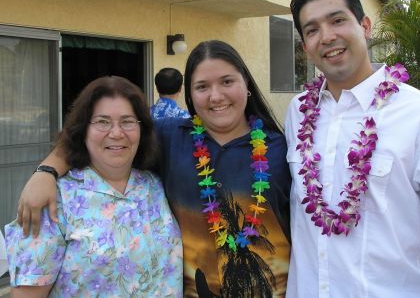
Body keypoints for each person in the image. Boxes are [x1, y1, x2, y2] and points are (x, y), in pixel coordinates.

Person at [16, 40, 292, 297]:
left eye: (227, 81)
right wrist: (46, 171)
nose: (215, 96)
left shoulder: (283, 148)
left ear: (247, 84)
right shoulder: (171, 136)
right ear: (190, 96)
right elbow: (105, 134)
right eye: (202, 86)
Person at [285, 0, 420, 298]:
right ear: (305, 47)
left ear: (365, 25)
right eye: (312, 29)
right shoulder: (297, 113)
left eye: (338, 20)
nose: (327, 36)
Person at [5, 76, 182, 297]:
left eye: (127, 121)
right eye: (102, 122)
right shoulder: (55, 200)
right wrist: (45, 172)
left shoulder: (153, 185)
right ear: (83, 130)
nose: (116, 133)